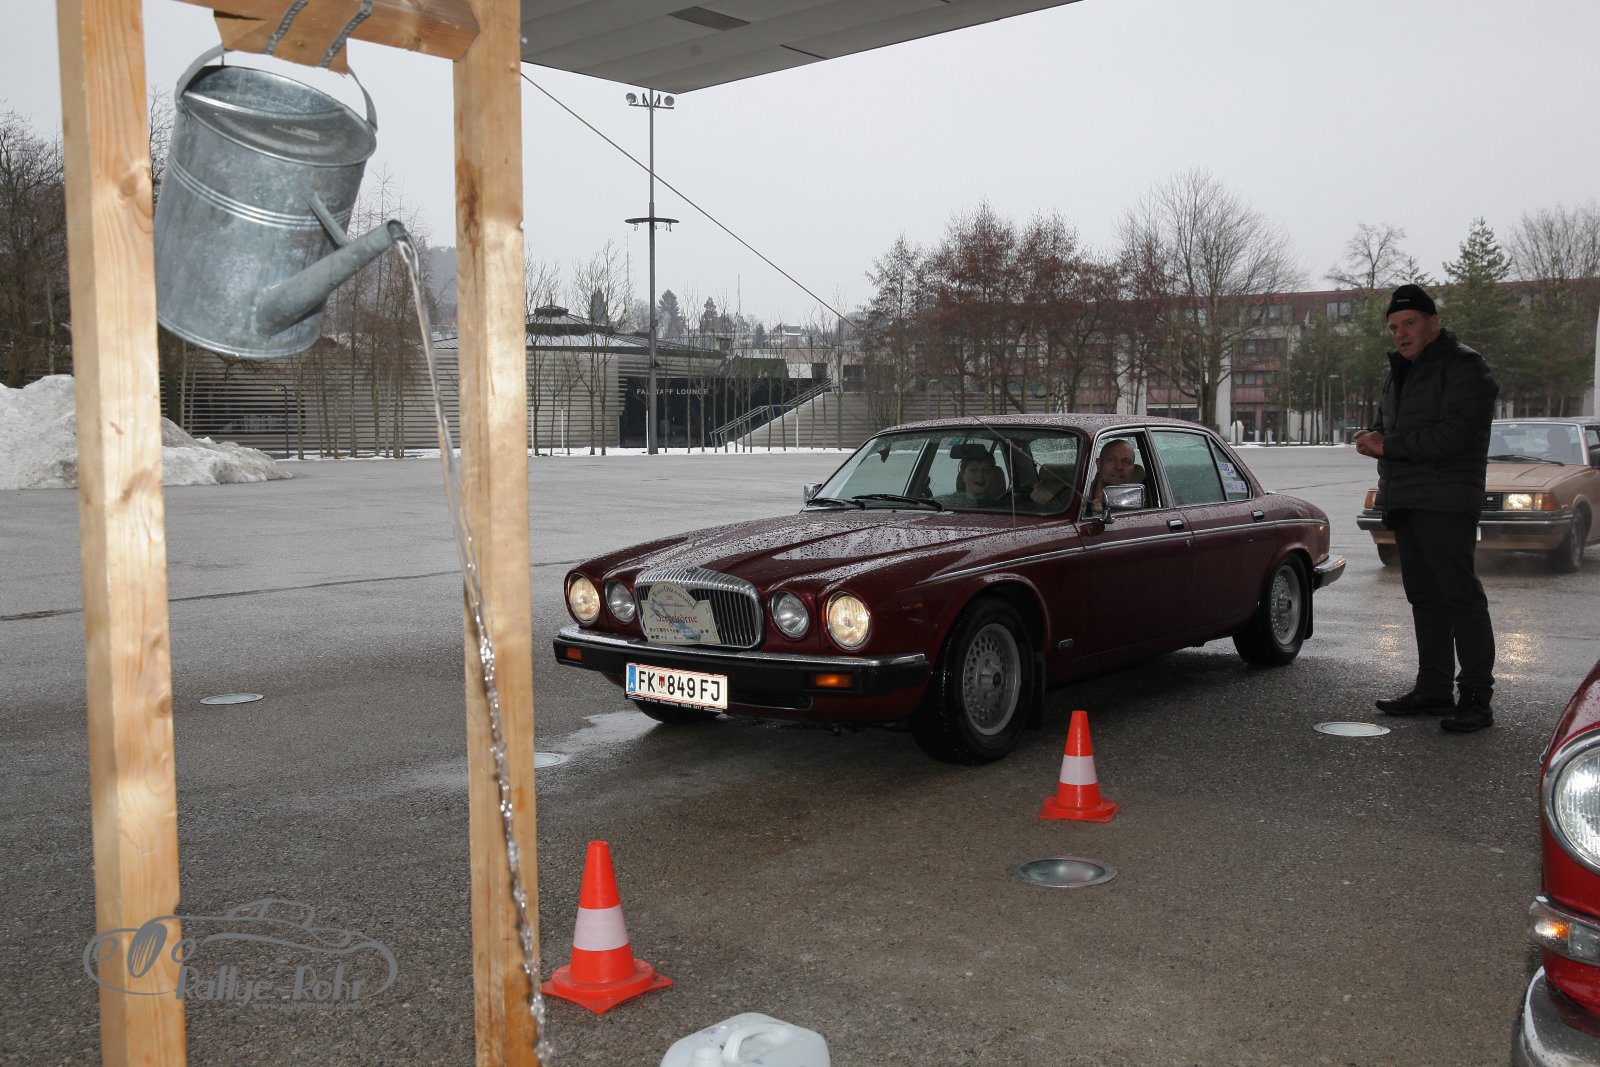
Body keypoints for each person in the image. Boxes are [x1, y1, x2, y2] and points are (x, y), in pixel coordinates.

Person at [1354, 283, 1500, 733]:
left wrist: (1388, 445)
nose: (1401, 334)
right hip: (1406, 498)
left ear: (1433, 323)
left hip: (1447, 500)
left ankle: (1475, 698)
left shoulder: (1464, 366)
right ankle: (1434, 689)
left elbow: (1456, 435)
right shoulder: (1401, 372)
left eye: (1409, 323)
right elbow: (1390, 427)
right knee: (1425, 598)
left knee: (1460, 597)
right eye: (1394, 327)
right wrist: (1373, 437)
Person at [1086, 439, 1139, 511]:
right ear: (1099, 464)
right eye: (1112, 460)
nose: (1119, 467)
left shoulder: (1142, 502)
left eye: (1126, 462)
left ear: (1133, 469)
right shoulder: (1079, 499)